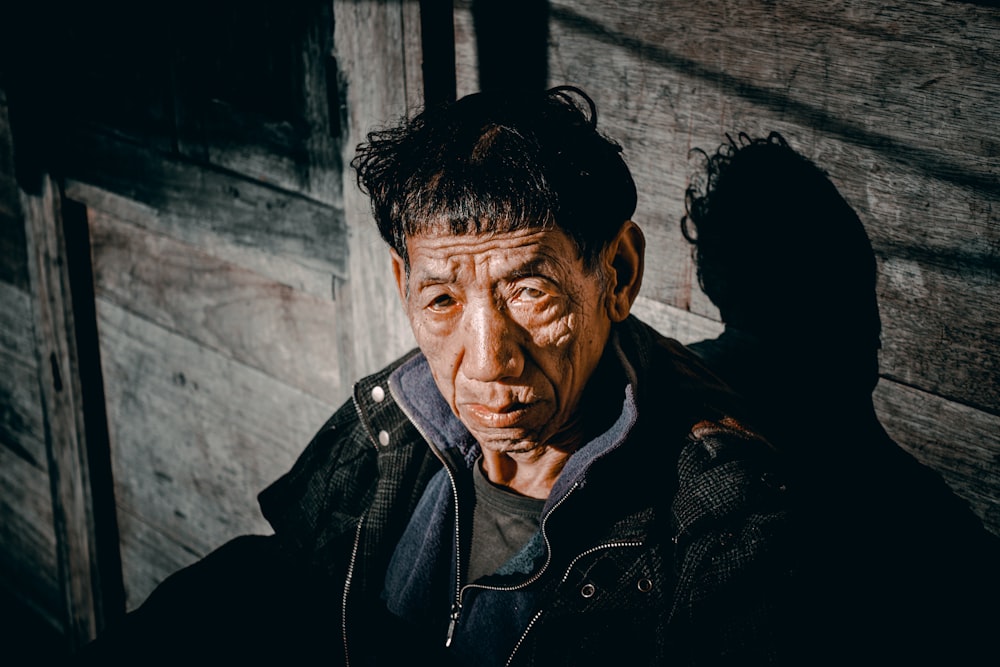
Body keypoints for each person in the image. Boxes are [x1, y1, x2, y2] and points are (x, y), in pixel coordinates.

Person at [74, 87, 795, 666]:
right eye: (444, 298)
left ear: (618, 274)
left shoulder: (721, 522)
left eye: (529, 291)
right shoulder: (398, 412)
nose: (485, 362)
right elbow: (285, 582)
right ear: (404, 283)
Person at [682, 132, 1000, 664]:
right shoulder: (928, 533)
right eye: (844, 287)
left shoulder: (672, 388)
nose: (871, 324)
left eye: (860, 284)